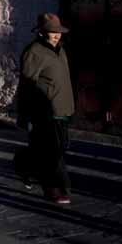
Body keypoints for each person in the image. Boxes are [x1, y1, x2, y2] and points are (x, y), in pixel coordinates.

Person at [17, 13, 75, 205]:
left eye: (59, 32)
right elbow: (26, 84)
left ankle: (24, 165)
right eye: (52, 32)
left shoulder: (61, 50)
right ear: (42, 33)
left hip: (62, 109)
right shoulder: (34, 52)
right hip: (45, 110)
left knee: (59, 147)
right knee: (53, 152)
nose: (57, 35)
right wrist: (24, 113)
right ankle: (54, 187)